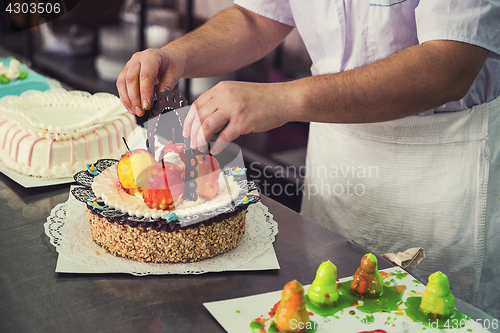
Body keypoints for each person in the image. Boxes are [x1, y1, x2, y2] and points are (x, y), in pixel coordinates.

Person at [117, 1, 500, 317]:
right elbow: (257, 17)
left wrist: (284, 99)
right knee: (326, 309)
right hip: (335, 157)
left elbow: (449, 64)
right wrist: (177, 54)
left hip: (441, 170)